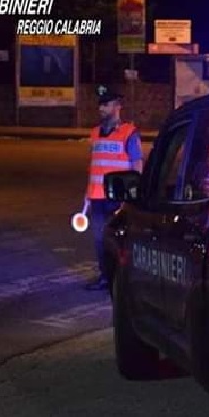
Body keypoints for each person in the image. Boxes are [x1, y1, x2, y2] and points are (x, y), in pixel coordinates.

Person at [83, 85, 143, 291]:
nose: (101, 109)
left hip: (119, 198)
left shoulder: (128, 133)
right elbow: (94, 166)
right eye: (100, 105)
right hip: (97, 197)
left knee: (121, 241)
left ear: (118, 106)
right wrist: (87, 195)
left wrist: (133, 194)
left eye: (106, 104)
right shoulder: (94, 133)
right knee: (100, 240)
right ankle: (106, 277)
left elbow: (137, 165)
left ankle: (123, 279)